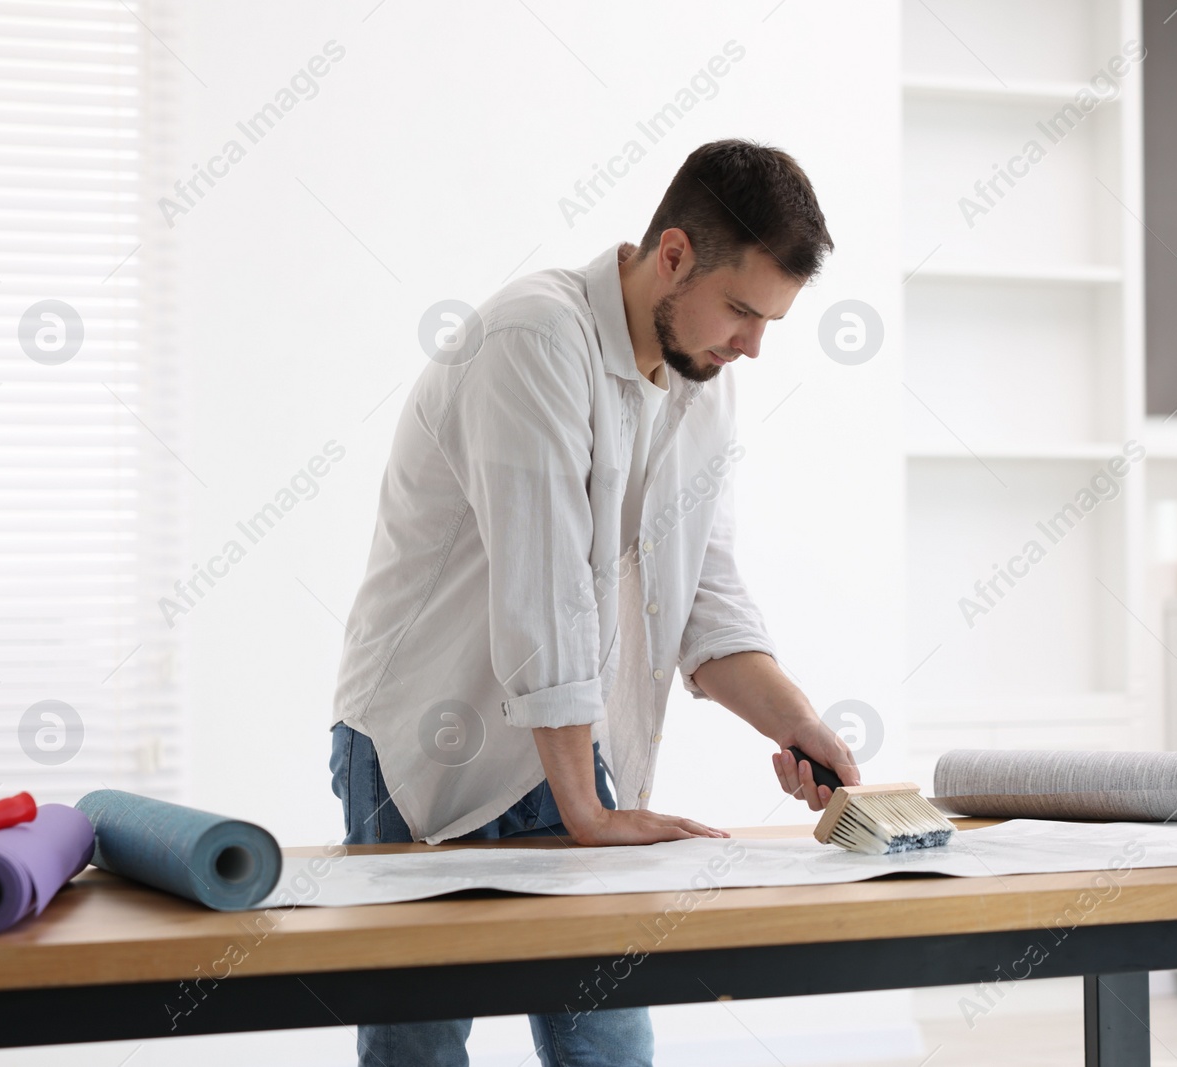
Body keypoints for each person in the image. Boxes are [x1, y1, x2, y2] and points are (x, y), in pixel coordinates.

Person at [328, 138, 859, 1067]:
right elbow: (545, 589)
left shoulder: (702, 381)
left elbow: (704, 595)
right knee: (419, 1050)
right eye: (741, 310)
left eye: (769, 321)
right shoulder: (534, 339)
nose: (752, 345)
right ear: (675, 255)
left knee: (610, 1050)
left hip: (568, 752)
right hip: (428, 747)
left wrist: (801, 725)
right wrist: (590, 811)